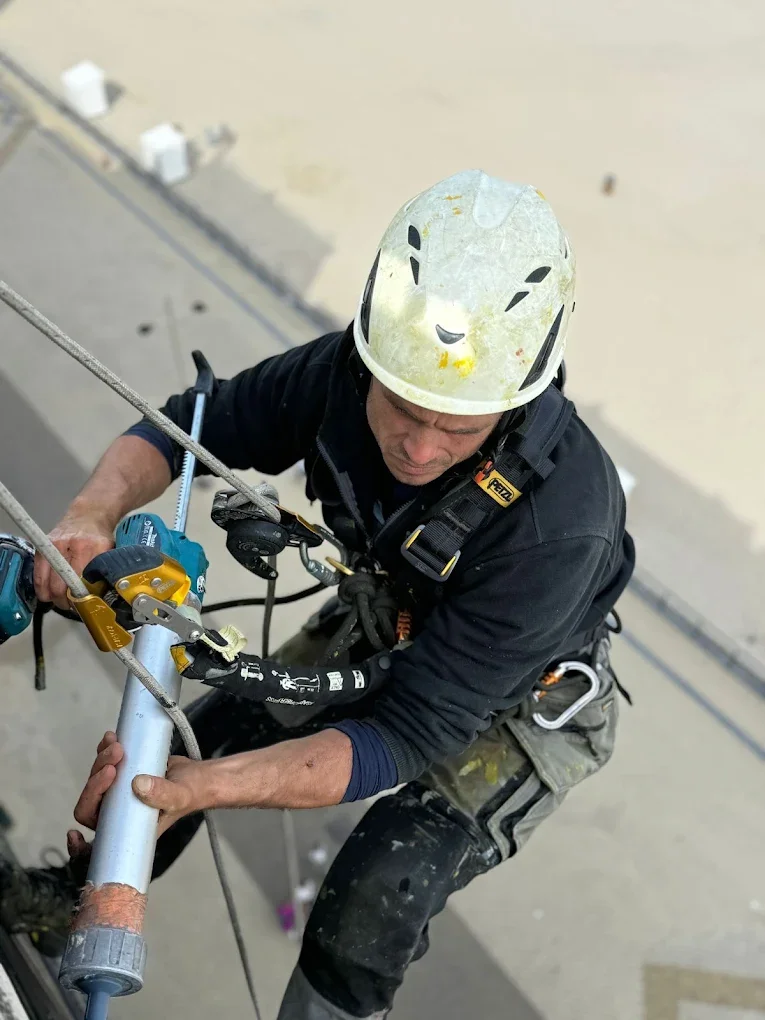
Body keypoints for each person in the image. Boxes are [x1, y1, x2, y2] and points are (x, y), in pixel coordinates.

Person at [1, 169, 634, 1019]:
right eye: (401, 405)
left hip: (519, 701)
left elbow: (406, 733)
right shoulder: (341, 376)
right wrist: (91, 514)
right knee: (208, 735)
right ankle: (65, 907)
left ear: (517, 400)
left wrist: (205, 788)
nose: (416, 446)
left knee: (373, 902)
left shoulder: (560, 525)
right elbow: (198, 421)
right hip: (387, 619)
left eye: (457, 426)